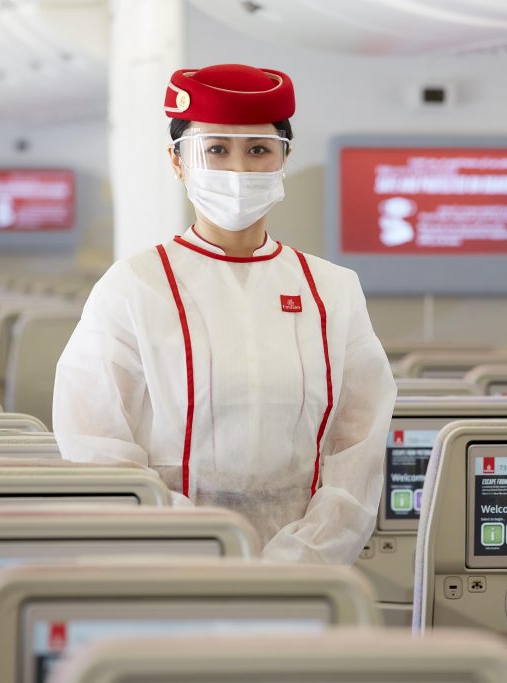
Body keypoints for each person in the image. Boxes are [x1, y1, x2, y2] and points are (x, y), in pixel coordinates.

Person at [52, 64, 397, 564]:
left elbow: (357, 449)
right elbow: (96, 448)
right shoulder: (134, 287)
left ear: (284, 160)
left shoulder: (333, 290)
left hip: (306, 574)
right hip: (166, 567)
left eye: (258, 150)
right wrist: (203, 554)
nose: (237, 169)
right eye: (215, 150)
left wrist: (300, 562)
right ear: (177, 162)